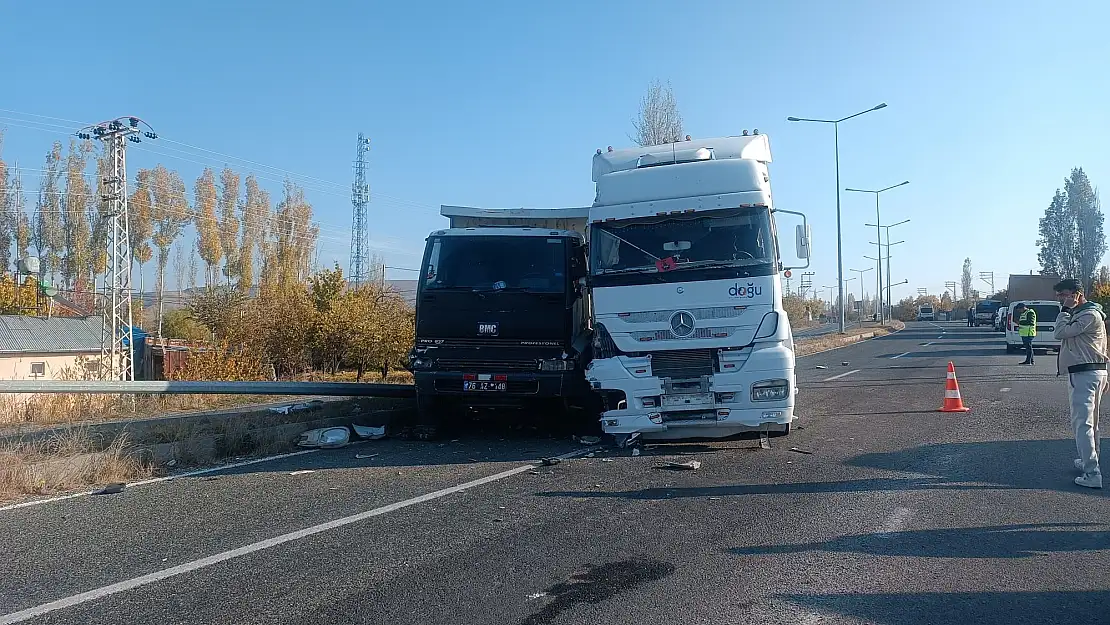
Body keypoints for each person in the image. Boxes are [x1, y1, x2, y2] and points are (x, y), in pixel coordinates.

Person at [1053, 278, 1106, 489]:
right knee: (1091, 423)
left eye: (1064, 295)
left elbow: (1060, 333)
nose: (1060, 299)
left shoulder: (1088, 314)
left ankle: (1092, 473)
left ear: (1077, 294)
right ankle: (1089, 461)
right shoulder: (1090, 314)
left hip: (1085, 374)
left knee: (1082, 424)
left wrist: (1064, 311)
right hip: (1093, 372)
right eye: (1058, 296)